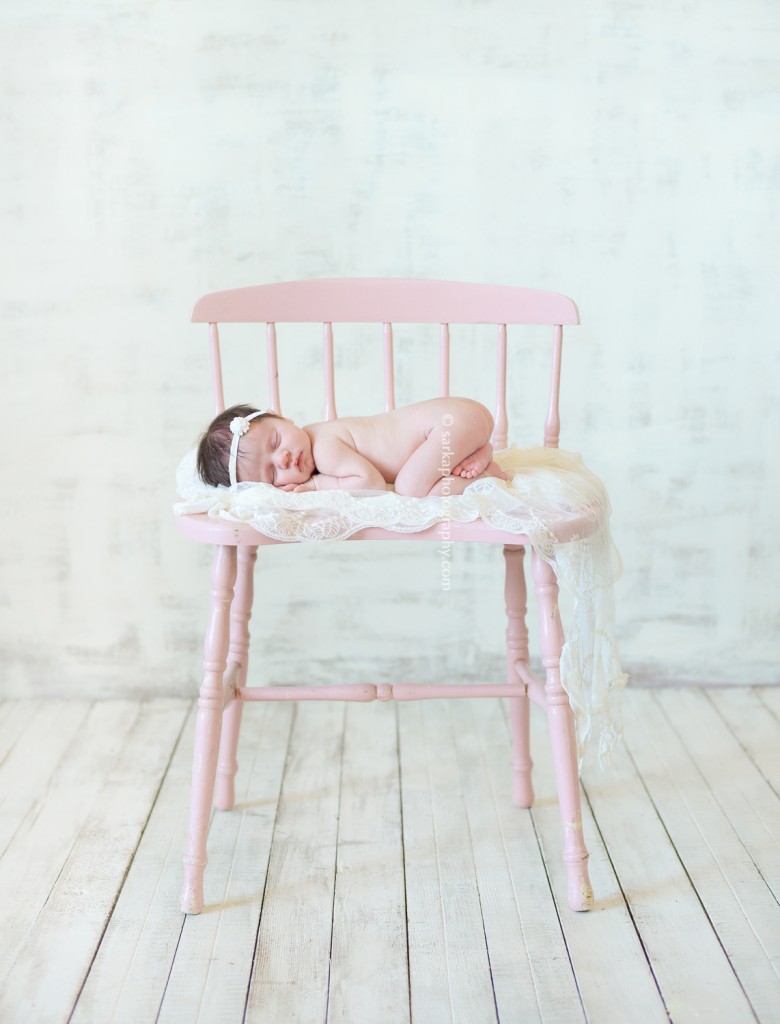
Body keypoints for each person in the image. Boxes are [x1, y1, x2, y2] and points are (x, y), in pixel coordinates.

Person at [197, 397, 507, 498]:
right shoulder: (316, 440)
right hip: (458, 421)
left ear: (283, 418)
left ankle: (486, 474)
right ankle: (476, 451)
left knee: (411, 488)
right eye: (272, 470)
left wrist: (317, 484)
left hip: (449, 424)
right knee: (417, 478)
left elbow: (370, 485)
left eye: (276, 441)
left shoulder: (323, 447)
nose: (285, 458)